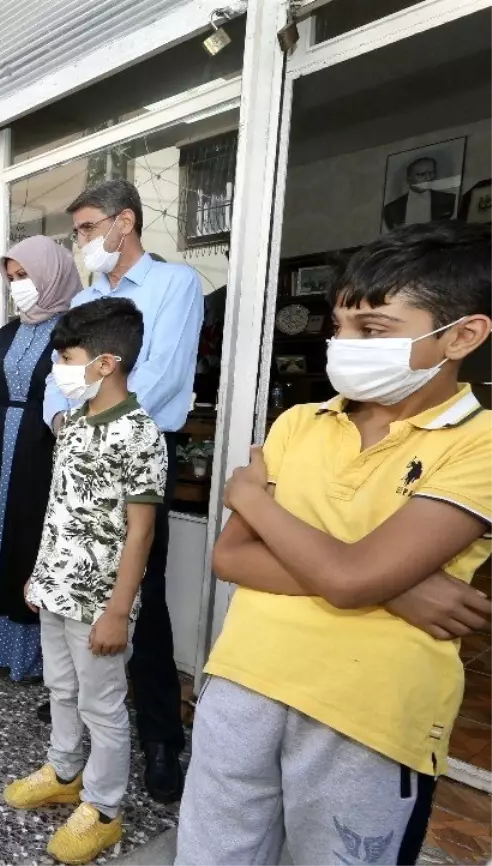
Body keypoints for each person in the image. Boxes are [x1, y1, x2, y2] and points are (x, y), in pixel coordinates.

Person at [175, 222, 492, 865]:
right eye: (339, 327)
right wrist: (396, 585)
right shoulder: (300, 422)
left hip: (369, 712)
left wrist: (254, 500)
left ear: (462, 335)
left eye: (372, 330)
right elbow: (232, 557)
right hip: (244, 679)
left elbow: (350, 579)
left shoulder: (478, 442)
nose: (343, 346)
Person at [43, 179, 203, 801]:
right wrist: (68, 423)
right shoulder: (88, 296)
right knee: (69, 572)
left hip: (134, 448)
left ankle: (162, 735)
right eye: (78, 231)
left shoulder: (174, 285)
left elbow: (158, 376)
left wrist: (96, 423)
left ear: (124, 222)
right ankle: (77, 712)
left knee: (140, 594)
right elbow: (59, 383)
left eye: (86, 229)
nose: (81, 241)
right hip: (77, 445)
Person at [5, 299, 165, 864]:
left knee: (105, 705)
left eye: (67, 358)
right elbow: (62, 510)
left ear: (105, 362)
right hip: (55, 587)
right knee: (63, 689)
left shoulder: (140, 433)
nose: (59, 369)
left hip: (100, 601)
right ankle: (65, 769)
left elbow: (140, 532)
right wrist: (39, 574)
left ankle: (103, 808)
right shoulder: (73, 424)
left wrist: (119, 610)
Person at [0, 236, 82, 683]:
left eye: (25, 275)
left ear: (50, 274)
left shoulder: (73, 329)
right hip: (0, 446)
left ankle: (25, 654)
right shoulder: (9, 332)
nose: (18, 286)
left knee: (27, 541)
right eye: (12, 278)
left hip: (41, 445)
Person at [383, 156, 458, 230]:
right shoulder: (391, 209)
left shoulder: (450, 200)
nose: (429, 178)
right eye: (421, 175)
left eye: (431, 173)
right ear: (409, 179)